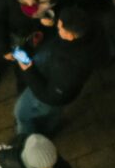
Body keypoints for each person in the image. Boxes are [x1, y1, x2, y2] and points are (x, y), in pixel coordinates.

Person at [13, 7, 96, 137]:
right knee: (53, 114)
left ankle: (24, 141)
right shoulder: (87, 35)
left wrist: (27, 69)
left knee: (21, 114)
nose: (57, 27)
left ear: (70, 35)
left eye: (59, 28)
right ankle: (48, 131)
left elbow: (50, 96)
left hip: (47, 94)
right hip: (62, 91)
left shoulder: (70, 66)